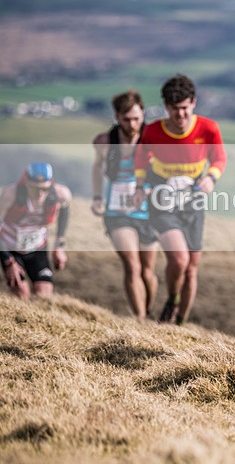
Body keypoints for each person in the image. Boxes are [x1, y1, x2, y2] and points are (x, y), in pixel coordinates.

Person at [132, 74, 227, 325]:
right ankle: (173, 298)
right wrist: (140, 186)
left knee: (192, 268)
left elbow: (219, 159)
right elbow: (140, 159)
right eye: (174, 110)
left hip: (193, 201)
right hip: (162, 200)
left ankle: (180, 322)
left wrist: (211, 178)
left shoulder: (208, 128)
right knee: (179, 259)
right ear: (166, 107)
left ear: (193, 103)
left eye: (184, 108)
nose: (180, 116)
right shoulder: (153, 131)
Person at [92, 89, 159, 320]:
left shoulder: (153, 139)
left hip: (148, 212)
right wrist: (97, 198)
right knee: (132, 266)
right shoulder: (105, 141)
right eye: (126, 119)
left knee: (148, 271)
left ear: (143, 115)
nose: (132, 124)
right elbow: (97, 168)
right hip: (116, 211)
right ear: (117, 117)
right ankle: (140, 320)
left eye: (137, 119)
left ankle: (148, 312)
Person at [0, 162, 72, 299]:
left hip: (37, 247)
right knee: (22, 293)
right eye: (35, 189)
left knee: (44, 294)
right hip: (11, 249)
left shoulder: (60, 194)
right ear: (26, 183)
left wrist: (59, 247)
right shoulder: (10, 195)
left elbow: (65, 212)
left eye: (44, 189)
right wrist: (8, 261)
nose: (40, 194)